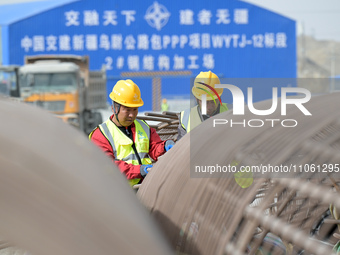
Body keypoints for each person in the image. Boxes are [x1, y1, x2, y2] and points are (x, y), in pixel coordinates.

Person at [89, 79, 175, 187]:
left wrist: (164, 146)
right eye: (127, 110)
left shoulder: (143, 127)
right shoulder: (101, 135)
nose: (132, 115)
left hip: (144, 188)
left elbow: (154, 148)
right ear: (114, 108)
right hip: (119, 193)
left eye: (135, 110)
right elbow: (108, 166)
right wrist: (140, 170)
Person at [177, 71, 231, 141]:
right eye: (205, 102)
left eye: (213, 101)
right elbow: (182, 147)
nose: (210, 107)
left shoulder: (232, 111)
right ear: (196, 98)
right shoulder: (186, 117)